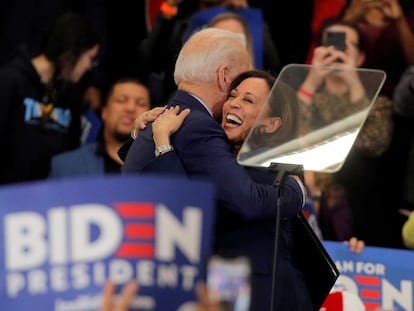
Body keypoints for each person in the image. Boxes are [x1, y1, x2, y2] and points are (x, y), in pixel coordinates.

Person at [121, 28, 312, 311]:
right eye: (234, 92)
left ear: (271, 123)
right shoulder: (206, 136)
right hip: (220, 286)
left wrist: (298, 190)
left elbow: (244, 202)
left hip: (268, 292)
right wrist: (148, 139)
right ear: (224, 78)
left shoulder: (271, 164)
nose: (233, 102)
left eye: (248, 100)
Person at [298, 20, 394, 243]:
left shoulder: (377, 102)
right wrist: (312, 79)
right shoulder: (304, 96)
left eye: (345, 44)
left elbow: (374, 142)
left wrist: (352, 79)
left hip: (364, 209)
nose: (337, 50)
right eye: (331, 43)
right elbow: (287, 134)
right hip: (313, 205)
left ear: (360, 57)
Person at [0, 12, 102, 185]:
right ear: (72, 51)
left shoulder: (71, 96)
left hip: (49, 201)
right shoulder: (9, 81)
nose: (88, 67)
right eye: (89, 58)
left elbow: (71, 154)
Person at [49, 78, 151, 178]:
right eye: (121, 100)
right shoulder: (66, 166)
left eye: (140, 103)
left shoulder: (162, 168)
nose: (130, 108)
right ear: (104, 112)